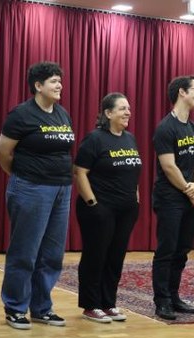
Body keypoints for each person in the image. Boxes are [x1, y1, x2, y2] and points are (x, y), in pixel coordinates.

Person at [0, 61, 74, 330]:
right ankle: (16, 307)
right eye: (53, 81)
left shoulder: (63, 114)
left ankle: (42, 307)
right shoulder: (21, 114)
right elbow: (3, 153)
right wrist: (22, 178)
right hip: (31, 187)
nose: (59, 85)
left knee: (52, 254)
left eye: (60, 81)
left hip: (62, 189)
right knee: (25, 252)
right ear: (37, 86)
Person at [74, 93, 141, 323]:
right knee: (96, 255)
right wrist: (93, 203)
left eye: (129, 108)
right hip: (100, 209)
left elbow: (133, 171)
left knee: (116, 256)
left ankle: (108, 302)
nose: (127, 112)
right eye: (122, 108)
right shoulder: (95, 139)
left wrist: (136, 198)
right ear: (108, 113)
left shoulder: (130, 139)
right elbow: (80, 172)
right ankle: (91, 305)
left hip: (126, 210)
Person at [151, 75, 194, 321]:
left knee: (182, 250)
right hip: (170, 197)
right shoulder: (165, 127)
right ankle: (161, 301)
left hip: (188, 196)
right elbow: (169, 167)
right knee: (167, 249)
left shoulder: (193, 128)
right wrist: (189, 191)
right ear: (182, 92)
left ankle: (174, 296)